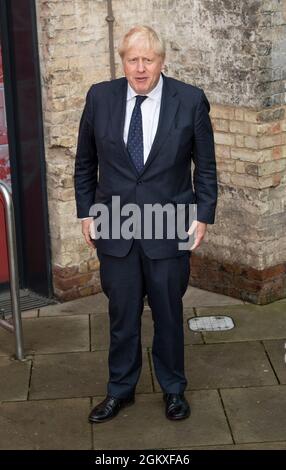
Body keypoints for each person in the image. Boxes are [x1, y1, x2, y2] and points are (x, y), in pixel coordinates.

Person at [74, 25, 217, 423]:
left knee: (168, 313)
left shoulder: (188, 100)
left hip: (169, 223)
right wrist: (86, 212)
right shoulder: (100, 98)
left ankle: (173, 389)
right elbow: (85, 161)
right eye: (132, 60)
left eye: (148, 60)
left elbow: (205, 166)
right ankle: (120, 390)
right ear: (122, 61)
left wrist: (203, 214)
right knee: (122, 314)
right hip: (114, 224)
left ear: (161, 61)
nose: (140, 69)